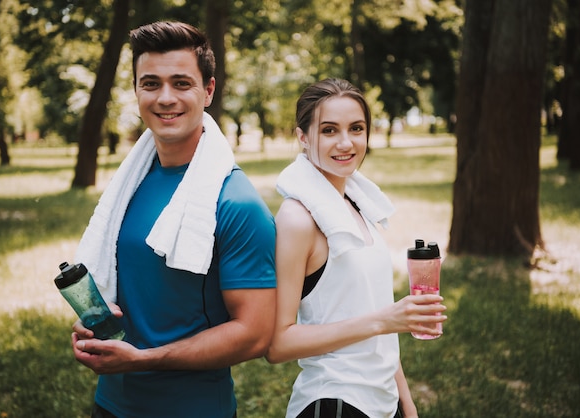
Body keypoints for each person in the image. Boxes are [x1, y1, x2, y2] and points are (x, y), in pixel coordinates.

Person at [70, 21, 276, 418]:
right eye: (151, 84)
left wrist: (143, 360)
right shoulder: (128, 187)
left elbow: (255, 335)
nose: (165, 98)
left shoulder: (236, 203)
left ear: (209, 90)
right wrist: (93, 330)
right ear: (136, 91)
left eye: (182, 83)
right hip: (110, 405)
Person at [266, 78, 447, 418]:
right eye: (329, 130)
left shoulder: (358, 205)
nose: (346, 143)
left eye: (357, 128)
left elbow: (378, 320)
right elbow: (278, 344)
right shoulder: (298, 218)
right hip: (335, 401)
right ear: (303, 138)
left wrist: (406, 404)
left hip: (382, 400)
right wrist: (385, 320)